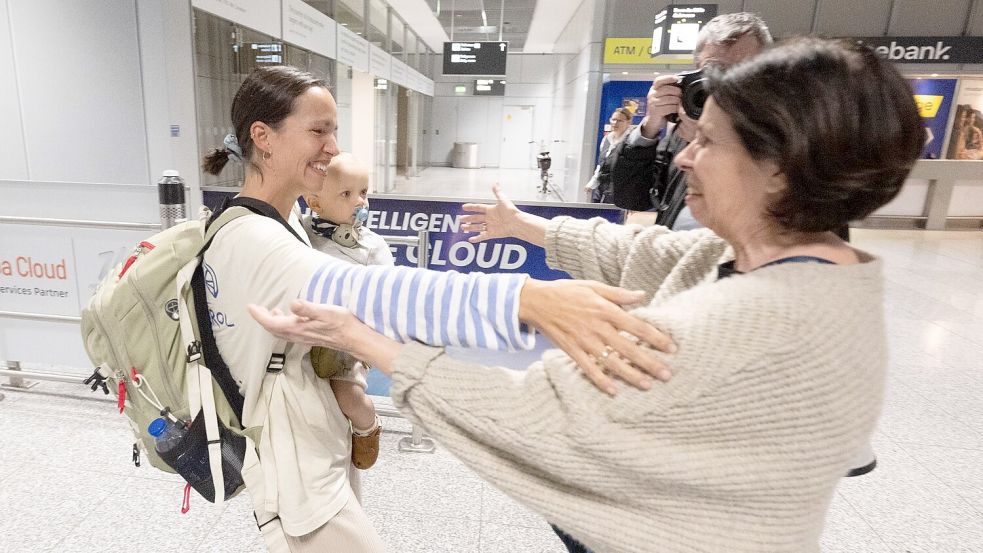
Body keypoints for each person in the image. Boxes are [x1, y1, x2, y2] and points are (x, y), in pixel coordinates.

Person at [249, 38, 925, 552]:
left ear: (780, 167)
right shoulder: (804, 260)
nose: (684, 156)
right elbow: (643, 254)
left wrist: (363, 338)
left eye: (708, 142)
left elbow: (533, 415)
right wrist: (524, 228)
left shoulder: (747, 318)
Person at [199, 65, 675, 553]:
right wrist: (525, 299)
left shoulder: (287, 221)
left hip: (318, 437)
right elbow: (373, 293)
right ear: (264, 137)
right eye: (318, 130)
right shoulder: (252, 237)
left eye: (334, 130)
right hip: (292, 461)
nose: (333, 147)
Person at [611, 12, 772, 229]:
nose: (725, 86)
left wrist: (713, 139)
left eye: (743, 73)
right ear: (696, 74)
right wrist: (650, 126)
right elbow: (632, 198)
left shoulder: (787, 142)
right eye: (713, 72)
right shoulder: (682, 130)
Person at [299, 152, 392, 471]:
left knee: (347, 395)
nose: (359, 202)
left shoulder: (372, 247)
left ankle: (368, 425)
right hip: (305, 336)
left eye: (364, 192)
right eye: (346, 194)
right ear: (315, 202)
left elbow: (386, 295)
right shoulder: (300, 232)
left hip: (346, 341)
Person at [585, 107, 633, 203]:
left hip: (619, 189)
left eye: (620, 120)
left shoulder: (630, 141)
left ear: (628, 123)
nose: (615, 123)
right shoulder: (606, 139)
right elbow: (601, 165)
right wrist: (592, 183)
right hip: (602, 187)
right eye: (613, 119)